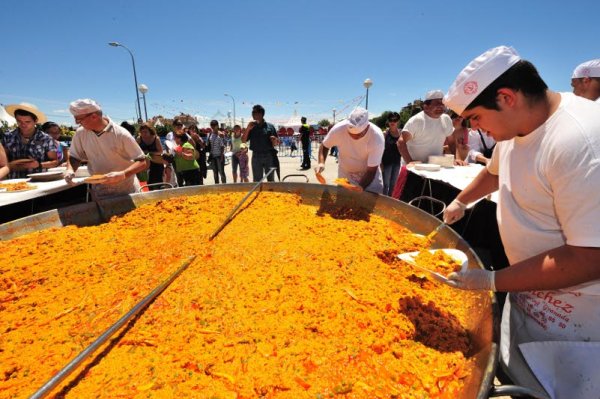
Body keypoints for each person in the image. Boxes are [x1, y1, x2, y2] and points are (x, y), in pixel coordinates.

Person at [442, 45, 600, 398]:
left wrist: (491, 279)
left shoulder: (583, 141)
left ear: (507, 97)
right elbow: (495, 171)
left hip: (583, 324)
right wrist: (461, 201)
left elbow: (591, 256)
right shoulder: (514, 131)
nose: (475, 129)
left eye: (476, 118)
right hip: (529, 300)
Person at [65, 99, 148, 200]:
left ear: (94, 116)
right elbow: (74, 156)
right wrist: (70, 169)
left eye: (79, 119)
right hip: (100, 191)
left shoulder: (120, 134)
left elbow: (142, 161)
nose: (77, 123)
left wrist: (123, 174)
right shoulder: (80, 133)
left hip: (126, 190)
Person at [315, 107, 384, 194]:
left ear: (367, 127)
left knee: (367, 205)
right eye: (350, 134)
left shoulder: (376, 137)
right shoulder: (338, 129)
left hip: (369, 177)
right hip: (346, 174)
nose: (353, 137)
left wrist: (360, 187)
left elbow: (371, 171)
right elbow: (324, 146)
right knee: (343, 204)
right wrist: (321, 162)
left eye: (358, 135)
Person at [397, 90, 454, 165]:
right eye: (437, 103)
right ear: (426, 106)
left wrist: (456, 159)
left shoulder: (446, 119)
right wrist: (410, 162)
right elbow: (401, 142)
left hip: (436, 167)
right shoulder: (417, 120)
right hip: (414, 169)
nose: (441, 106)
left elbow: (452, 142)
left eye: (442, 103)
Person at [2, 103, 58, 179]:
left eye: (27, 122)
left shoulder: (46, 138)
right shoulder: (8, 137)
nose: (23, 125)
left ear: (35, 121)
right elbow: (2, 162)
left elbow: (55, 162)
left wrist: (39, 165)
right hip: (14, 182)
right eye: (19, 121)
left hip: (39, 182)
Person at [242, 104, 279, 182]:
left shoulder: (270, 126)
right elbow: (243, 141)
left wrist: (274, 140)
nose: (252, 114)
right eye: (252, 112)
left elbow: (276, 143)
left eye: (254, 112)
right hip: (256, 157)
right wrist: (248, 129)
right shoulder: (251, 127)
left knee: (271, 180)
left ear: (261, 114)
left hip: (269, 156)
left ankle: (271, 194)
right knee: (257, 181)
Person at [136, 123, 165, 190]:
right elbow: (135, 151)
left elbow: (160, 151)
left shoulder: (156, 138)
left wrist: (149, 153)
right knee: (148, 183)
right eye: (142, 132)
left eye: (145, 132)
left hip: (156, 162)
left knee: (158, 183)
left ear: (150, 131)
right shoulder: (139, 139)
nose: (144, 134)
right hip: (145, 164)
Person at [380, 112, 402, 196]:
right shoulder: (385, 134)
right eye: (390, 120)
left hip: (397, 162)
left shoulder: (401, 134)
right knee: (385, 185)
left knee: (393, 185)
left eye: (395, 120)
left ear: (398, 121)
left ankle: (390, 202)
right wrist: (380, 163)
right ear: (388, 121)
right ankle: (383, 202)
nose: (393, 122)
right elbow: (380, 150)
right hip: (386, 163)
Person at [207, 120, 226, 184]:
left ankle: (224, 186)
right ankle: (217, 186)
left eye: (214, 125)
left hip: (219, 156)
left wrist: (221, 157)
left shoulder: (220, 135)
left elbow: (222, 147)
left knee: (221, 173)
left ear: (217, 126)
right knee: (215, 173)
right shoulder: (210, 135)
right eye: (211, 125)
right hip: (212, 157)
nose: (213, 127)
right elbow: (209, 145)